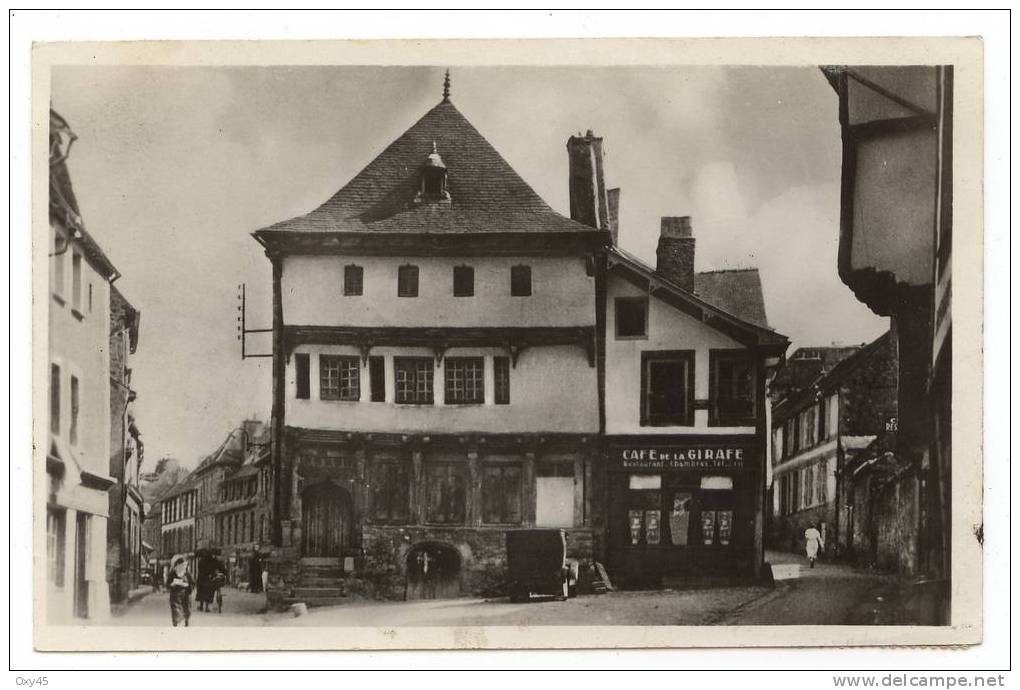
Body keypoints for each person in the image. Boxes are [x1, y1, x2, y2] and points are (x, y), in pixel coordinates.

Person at [166, 556, 194, 627]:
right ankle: (176, 623)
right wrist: (172, 584)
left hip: (186, 594)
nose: (184, 567)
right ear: (178, 564)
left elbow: (192, 583)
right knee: (176, 609)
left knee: (187, 609)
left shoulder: (187, 574)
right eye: (183, 565)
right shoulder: (172, 573)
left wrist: (187, 585)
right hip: (175, 595)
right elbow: (167, 584)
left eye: (185, 565)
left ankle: (186, 620)